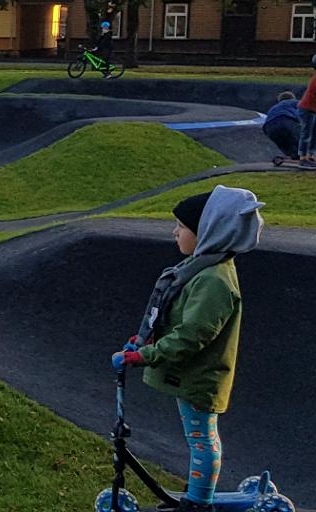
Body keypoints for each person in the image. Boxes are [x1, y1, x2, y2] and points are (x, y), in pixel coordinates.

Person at [112, 187, 261, 512]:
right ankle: (197, 498)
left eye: (181, 226)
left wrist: (144, 356)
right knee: (198, 436)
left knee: (202, 438)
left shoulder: (213, 281)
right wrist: (144, 341)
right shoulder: (201, 270)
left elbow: (190, 337)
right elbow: (174, 318)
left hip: (200, 378)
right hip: (192, 376)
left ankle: (199, 503)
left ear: (207, 231)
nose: (175, 232)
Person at [263, 91, 300, 161]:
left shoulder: (274, 108)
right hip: (285, 121)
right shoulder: (293, 102)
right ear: (292, 98)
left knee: (286, 145)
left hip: (268, 128)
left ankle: (294, 157)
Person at [299, 55, 316, 167]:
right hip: (307, 108)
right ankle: (303, 157)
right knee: (306, 132)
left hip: (312, 108)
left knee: (314, 132)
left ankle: (311, 155)